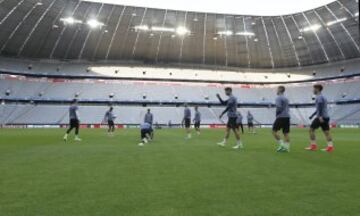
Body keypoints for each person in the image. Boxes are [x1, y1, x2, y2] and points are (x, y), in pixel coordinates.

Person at [305, 84, 334, 152]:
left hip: (321, 117)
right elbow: (319, 108)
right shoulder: (323, 97)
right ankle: (330, 147)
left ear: (317, 89)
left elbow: (320, 106)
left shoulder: (319, 97)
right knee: (326, 132)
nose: (313, 90)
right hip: (326, 116)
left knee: (311, 130)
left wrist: (320, 116)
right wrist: (312, 115)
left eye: (313, 88)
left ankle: (313, 146)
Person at [272, 86, 291, 152]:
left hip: (281, 116)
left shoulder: (278, 98)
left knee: (274, 131)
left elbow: (279, 107)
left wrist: (277, 114)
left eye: (277, 89)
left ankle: (282, 145)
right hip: (287, 116)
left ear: (280, 90)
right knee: (286, 133)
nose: (276, 91)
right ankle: (287, 148)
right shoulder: (286, 98)